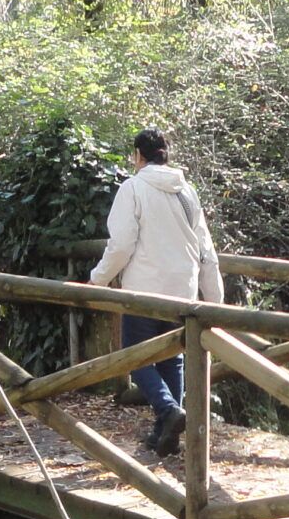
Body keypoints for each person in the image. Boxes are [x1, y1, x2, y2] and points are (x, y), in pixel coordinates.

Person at [90, 130, 223, 456]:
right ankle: (167, 435)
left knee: (136, 358)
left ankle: (167, 410)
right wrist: (215, 299)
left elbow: (121, 244)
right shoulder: (187, 192)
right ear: (166, 154)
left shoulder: (133, 188)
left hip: (145, 291)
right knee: (170, 359)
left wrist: (97, 281)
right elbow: (206, 249)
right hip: (183, 290)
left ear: (138, 155)